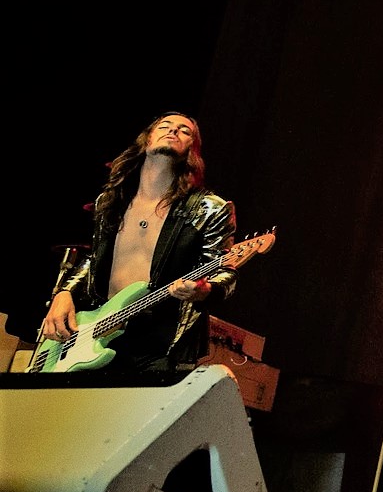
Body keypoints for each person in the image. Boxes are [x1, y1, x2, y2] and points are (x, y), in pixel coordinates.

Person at [37, 112, 239, 374]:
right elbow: (94, 259)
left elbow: (226, 270)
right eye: (165, 126)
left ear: (193, 150)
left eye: (184, 130)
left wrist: (205, 290)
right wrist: (64, 293)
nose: (173, 130)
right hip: (96, 331)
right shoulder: (110, 202)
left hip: (156, 343)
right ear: (146, 140)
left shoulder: (209, 208)